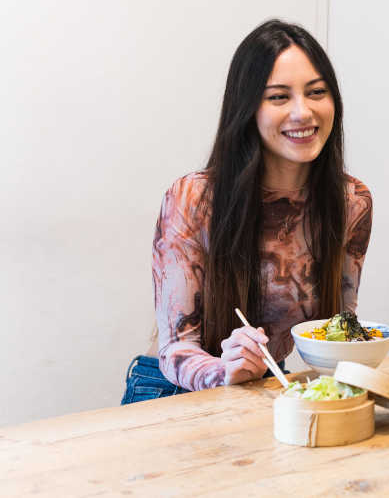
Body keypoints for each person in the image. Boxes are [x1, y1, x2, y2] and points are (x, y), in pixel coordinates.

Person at [121, 20, 372, 403]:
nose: (303, 112)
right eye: (278, 97)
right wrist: (226, 371)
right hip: (170, 390)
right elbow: (176, 349)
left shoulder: (350, 200)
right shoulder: (193, 198)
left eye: (317, 92)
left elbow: (334, 330)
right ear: (247, 107)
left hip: (267, 385)